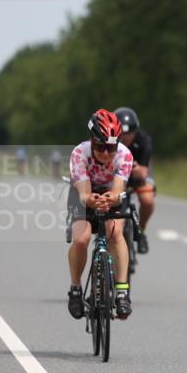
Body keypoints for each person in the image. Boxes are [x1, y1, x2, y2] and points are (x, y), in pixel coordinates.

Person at [66, 109, 135, 320]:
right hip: (83, 195)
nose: (105, 153)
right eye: (100, 147)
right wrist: (91, 200)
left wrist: (112, 199)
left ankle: (122, 291)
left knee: (115, 234)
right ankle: (75, 290)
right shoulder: (80, 153)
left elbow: (117, 190)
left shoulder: (125, 155)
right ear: (91, 141)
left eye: (110, 148)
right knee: (81, 239)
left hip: (110, 196)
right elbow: (85, 195)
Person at [114, 107, 155, 254]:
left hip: (137, 175)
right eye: (122, 134)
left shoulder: (143, 140)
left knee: (147, 200)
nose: (126, 137)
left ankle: (141, 230)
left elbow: (143, 172)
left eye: (130, 133)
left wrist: (135, 169)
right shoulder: (108, 141)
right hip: (116, 177)